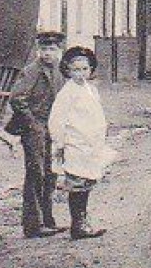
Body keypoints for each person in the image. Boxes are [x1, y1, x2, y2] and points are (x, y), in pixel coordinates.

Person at [49, 46, 116, 240]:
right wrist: (60, 143)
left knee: (87, 182)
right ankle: (77, 224)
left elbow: (96, 114)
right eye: (76, 70)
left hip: (90, 144)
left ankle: (83, 221)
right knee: (77, 184)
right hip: (75, 144)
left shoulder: (91, 90)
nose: (80, 74)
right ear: (68, 71)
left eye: (84, 69)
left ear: (91, 69)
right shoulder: (67, 93)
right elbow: (57, 120)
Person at [8, 30, 65, 238]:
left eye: (52, 49)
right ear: (38, 50)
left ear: (60, 51)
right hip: (35, 128)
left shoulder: (61, 72)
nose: (47, 53)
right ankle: (33, 225)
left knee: (51, 174)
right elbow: (17, 98)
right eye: (43, 49)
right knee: (35, 174)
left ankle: (48, 220)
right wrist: (32, 124)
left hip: (53, 128)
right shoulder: (32, 71)